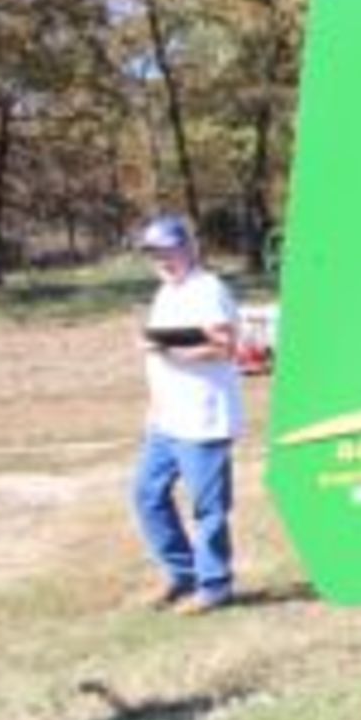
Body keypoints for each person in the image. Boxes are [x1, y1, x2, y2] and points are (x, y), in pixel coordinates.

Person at [131, 214, 245, 614]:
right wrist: (154, 408)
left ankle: (216, 586)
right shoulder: (166, 293)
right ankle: (182, 575)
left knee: (208, 508)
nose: (162, 259)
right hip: (168, 420)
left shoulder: (207, 289)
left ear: (189, 248)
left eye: (168, 250)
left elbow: (225, 347)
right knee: (146, 495)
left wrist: (170, 352)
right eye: (154, 253)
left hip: (204, 418)